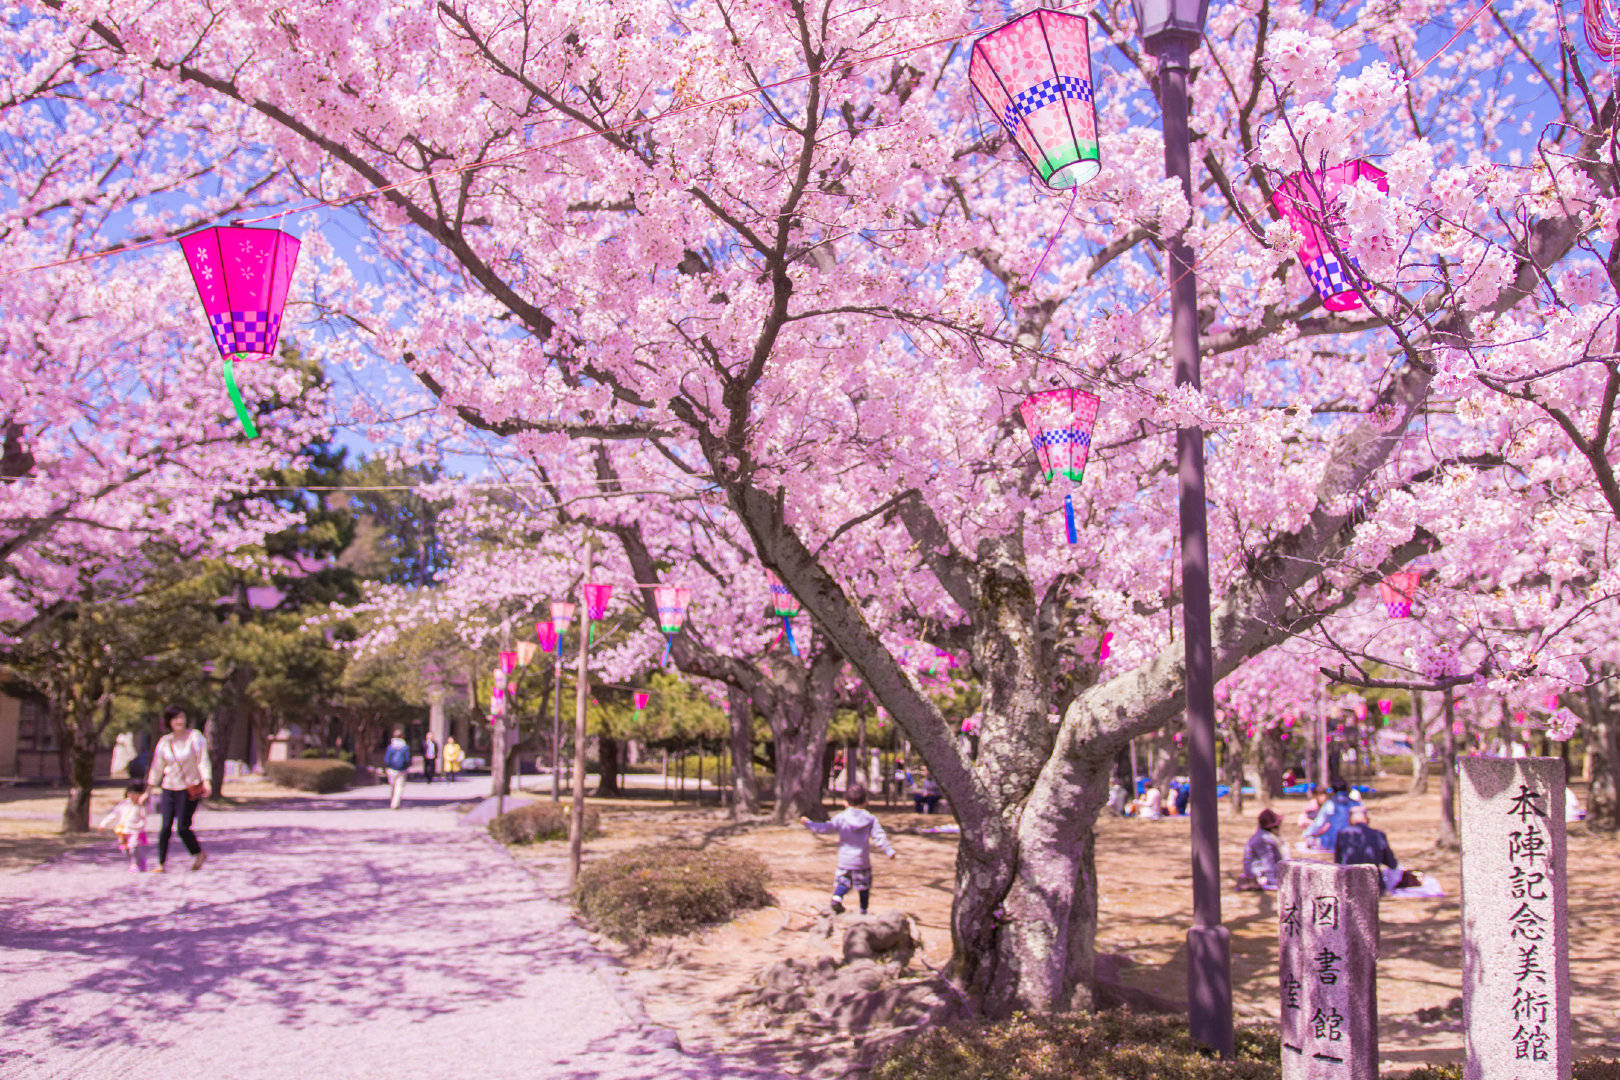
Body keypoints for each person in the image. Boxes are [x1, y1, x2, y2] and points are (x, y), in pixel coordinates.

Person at [801, 783, 897, 915]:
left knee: (844, 883)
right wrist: (889, 850)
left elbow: (825, 828)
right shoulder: (870, 818)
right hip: (861, 860)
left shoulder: (841, 817)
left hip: (845, 860)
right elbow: (879, 836)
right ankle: (863, 910)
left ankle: (836, 898)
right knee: (864, 887)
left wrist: (809, 823)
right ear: (865, 802)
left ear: (845, 802)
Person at [146, 705, 210, 872]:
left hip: (188, 788)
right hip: (169, 787)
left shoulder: (195, 737)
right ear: (169, 722)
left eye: (182, 717)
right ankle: (161, 863)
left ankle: (198, 853)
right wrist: (149, 788)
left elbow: (202, 760)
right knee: (165, 826)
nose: (179, 721)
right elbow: (157, 766)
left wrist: (207, 781)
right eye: (175, 718)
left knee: (182, 827)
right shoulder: (165, 741)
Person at [1333, 807, 1399, 891]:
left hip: (1350, 884)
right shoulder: (1378, 835)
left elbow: (1338, 863)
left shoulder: (1342, 834)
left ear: (1349, 820)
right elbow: (1392, 863)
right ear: (1367, 819)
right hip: (1374, 884)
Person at [98, 781, 150, 873]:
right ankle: (133, 862)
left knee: (134, 848)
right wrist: (104, 824)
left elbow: (144, 816)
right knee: (125, 849)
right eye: (130, 793)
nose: (133, 796)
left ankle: (136, 864)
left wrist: (142, 804)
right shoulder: (124, 804)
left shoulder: (142, 806)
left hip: (136, 831)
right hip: (123, 830)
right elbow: (114, 814)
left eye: (136, 794)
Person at [1239, 808, 1285, 890]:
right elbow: (1268, 864)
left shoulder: (1266, 836)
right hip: (1260, 876)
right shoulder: (1263, 839)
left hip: (1263, 874)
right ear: (1273, 826)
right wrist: (1275, 882)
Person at [1307, 781, 1355, 852]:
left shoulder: (1330, 804)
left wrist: (1307, 834)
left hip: (1334, 841)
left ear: (1332, 791)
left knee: (1312, 840)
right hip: (1353, 840)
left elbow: (1319, 823)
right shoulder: (1356, 803)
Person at [383, 728, 411, 809]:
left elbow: (387, 759)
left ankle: (392, 800)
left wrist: (387, 767)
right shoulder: (405, 747)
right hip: (401, 770)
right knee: (399, 787)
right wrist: (406, 767)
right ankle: (395, 804)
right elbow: (407, 759)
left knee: (393, 785)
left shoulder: (391, 746)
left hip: (391, 769)